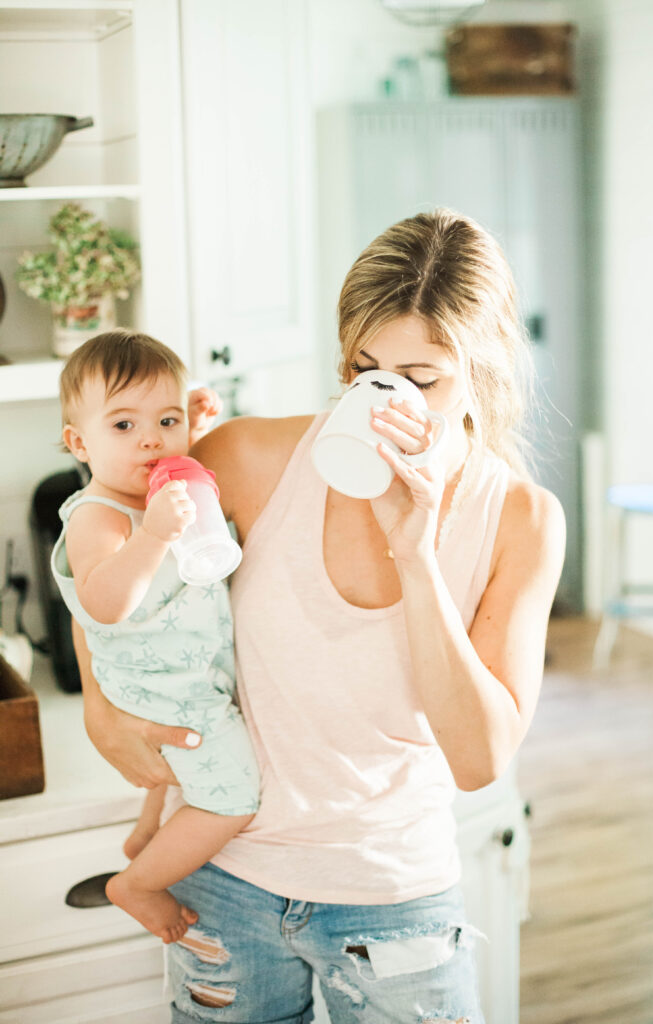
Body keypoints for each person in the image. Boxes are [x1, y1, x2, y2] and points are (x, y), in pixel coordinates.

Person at [74, 210, 566, 1024]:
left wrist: (416, 551)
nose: (386, 398)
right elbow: (102, 543)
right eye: (364, 369)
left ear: (481, 368)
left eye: (422, 377)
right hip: (223, 881)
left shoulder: (520, 518)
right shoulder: (246, 459)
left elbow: (479, 758)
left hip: (392, 901)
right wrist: (100, 700)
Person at [51, 330, 260, 945]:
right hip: (157, 690)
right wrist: (154, 537)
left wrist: (188, 424)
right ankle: (137, 883)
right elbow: (105, 604)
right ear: (78, 444)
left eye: (164, 420)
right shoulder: (100, 515)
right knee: (233, 796)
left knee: (183, 772)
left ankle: (148, 831)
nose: (150, 439)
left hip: (183, 675)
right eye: (122, 426)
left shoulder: (157, 493)